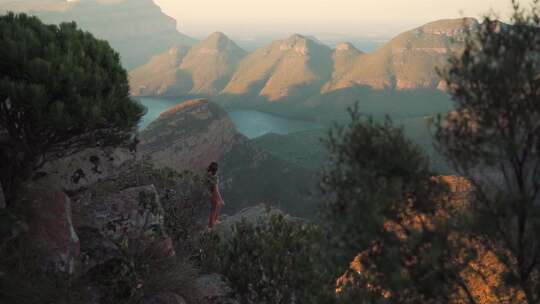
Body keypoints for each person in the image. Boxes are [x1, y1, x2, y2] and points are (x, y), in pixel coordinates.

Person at [206, 162, 225, 229]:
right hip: (214, 194)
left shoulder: (208, 175)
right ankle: (211, 225)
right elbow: (216, 189)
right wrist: (221, 199)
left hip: (209, 193)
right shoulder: (215, 177)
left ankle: (215, 220)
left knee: (217, 206)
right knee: (214, 209)